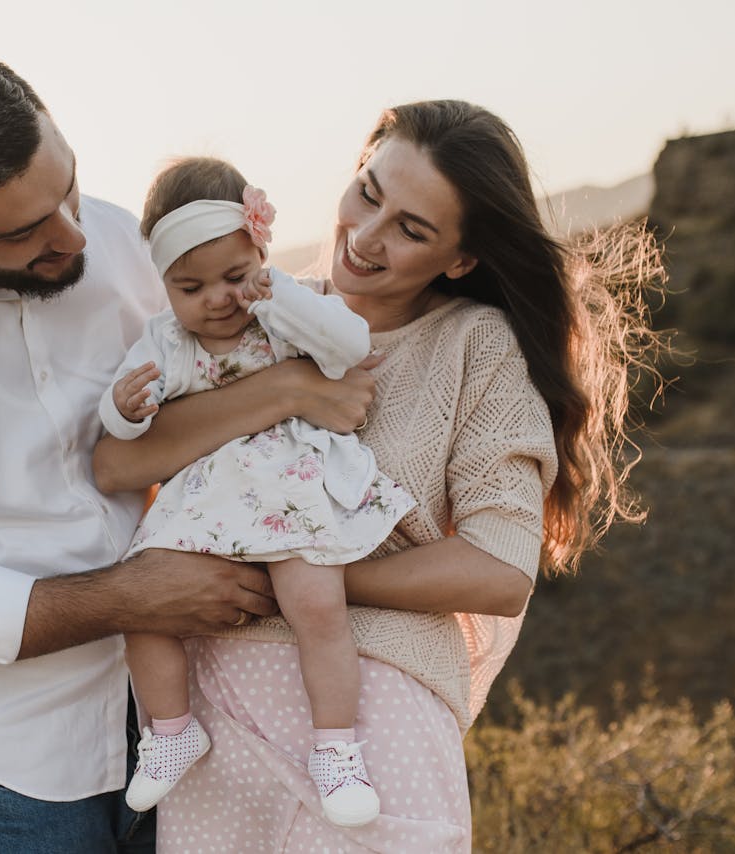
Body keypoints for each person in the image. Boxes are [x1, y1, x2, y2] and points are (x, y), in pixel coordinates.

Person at [0, 46, 381, 853]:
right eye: (26, 232)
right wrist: (129, 597)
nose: (74, 236)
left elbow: (215, 389)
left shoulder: (137, 245)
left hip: (196, 713)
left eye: (67, 187)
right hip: (6, 766)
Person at [92, 100, 662, 851]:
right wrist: (285, 391)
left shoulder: (476, 347)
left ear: (460, 259)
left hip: (373, 730)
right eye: (368, 192)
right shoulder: (246, 315)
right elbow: (119, 462)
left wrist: (291, 577)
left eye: (410, 229)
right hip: (216, 729)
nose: (365, 237)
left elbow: (499, 569)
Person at [99, 158, 415, 826]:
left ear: (260, 254)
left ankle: (337, 749)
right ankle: (172, 729)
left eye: (235, 277)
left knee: (318, 603)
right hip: (205, 499)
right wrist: (124, 408)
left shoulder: (287, 310)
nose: (218, 298)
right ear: (164, 284)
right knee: (142, 602)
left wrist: (277, 296)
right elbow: (123, 423)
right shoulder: (165, 339)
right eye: (191, 286)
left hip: (291, 487)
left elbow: (349, 344)